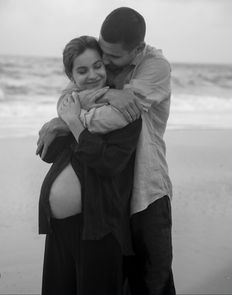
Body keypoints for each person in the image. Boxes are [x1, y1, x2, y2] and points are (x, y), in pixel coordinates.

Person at [37, 7, 176, 295]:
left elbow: (118, 115)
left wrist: (70, 123)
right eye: (103, 54)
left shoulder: (156, 66)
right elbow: (67, 96)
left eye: (111, 59)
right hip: (113, 190)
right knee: (120, 279)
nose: (106, 65)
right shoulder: (102, 63)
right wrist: (110, 93)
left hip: (145, 189)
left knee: (154, 278)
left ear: (136, 50)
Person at [38, 35, 142, 295]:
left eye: (98, 66)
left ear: (106, 65)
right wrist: (59, 122)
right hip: (58, 232)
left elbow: (109, 164)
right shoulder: (71, 106)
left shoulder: (124, 111)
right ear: (71, 76)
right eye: (82, 70)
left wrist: (74, 124)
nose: (93, 75)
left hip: (98, 230)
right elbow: (47, 155)